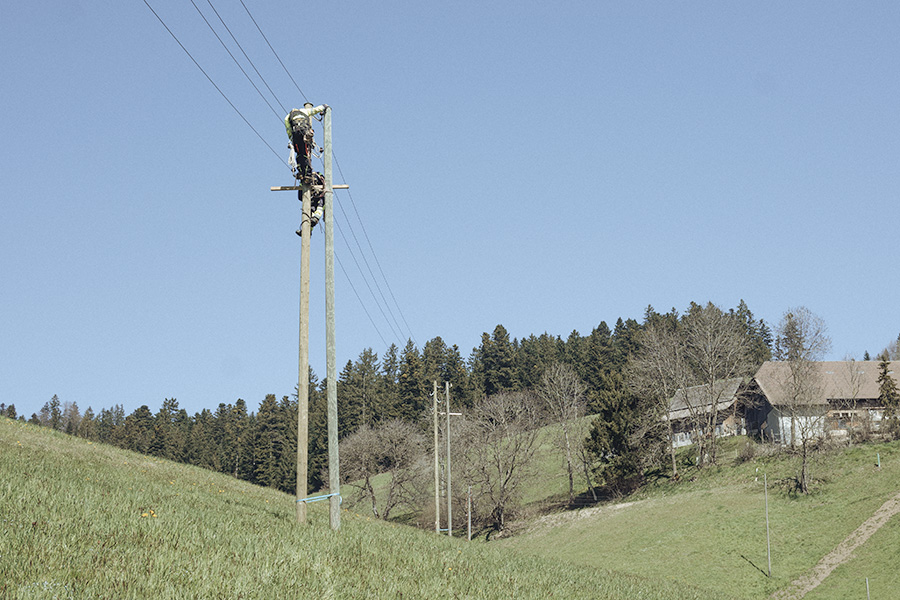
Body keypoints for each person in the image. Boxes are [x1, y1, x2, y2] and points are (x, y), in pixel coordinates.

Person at [284, 104, 326, 182]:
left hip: (296, 137)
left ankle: (301, 171)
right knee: (306, 154)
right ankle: (307, 174)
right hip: (305, 135)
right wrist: (324, 107)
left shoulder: (288, 116)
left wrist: (291, 139)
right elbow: (314, 110)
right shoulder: (304, 111)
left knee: (300, 154)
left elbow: (288, 129)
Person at [296, 172, 325, 237]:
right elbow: (300, 196)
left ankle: (315, 218)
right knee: (309, 214)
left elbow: (324, 183)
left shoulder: (318, 177)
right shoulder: (303, 181)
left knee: (319, 207)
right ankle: (307, 230)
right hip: (312, 199)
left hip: (320, 198)